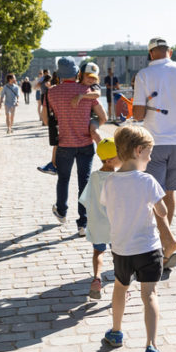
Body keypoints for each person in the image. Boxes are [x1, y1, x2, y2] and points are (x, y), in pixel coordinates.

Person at [98, 125, 171, 352]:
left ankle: (116, 331)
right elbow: (163, 211)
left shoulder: (110, 181)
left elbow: (107, 209)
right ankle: (151, 345)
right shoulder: (147, 180)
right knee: (149, 294)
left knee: (120, 288)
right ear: (139, 151)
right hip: (148, 249)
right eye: (149, 153)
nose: (150, 158)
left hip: (121, 249)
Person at [132, 37, 176, 238]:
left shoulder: (144, 74)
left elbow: (139, 115)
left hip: (155, 142)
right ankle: (165, 236)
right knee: (169, 193)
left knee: (154, 194)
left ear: (151, 53)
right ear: (170, 51)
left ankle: (164, 240)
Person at [47, 57, 105, 236]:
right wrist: (93, 126)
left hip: (64, 143)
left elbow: (46, 119)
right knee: (84, 183)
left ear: (59, 74)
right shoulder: (87, 90)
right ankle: (82, 224)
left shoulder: (51, 93)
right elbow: (103, 116)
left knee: (63, 179)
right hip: (86, 143)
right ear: (77, 73)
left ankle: (62, 212)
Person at [79, 137, 121, 301]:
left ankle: (96, 278)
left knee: (98, 251)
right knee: (118, 255)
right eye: (119, 156)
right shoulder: (118, 178)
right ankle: (121, 283)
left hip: (97, 223)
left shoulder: (94, 176)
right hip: (115, 224)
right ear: (110, 160)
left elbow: (85, 200)